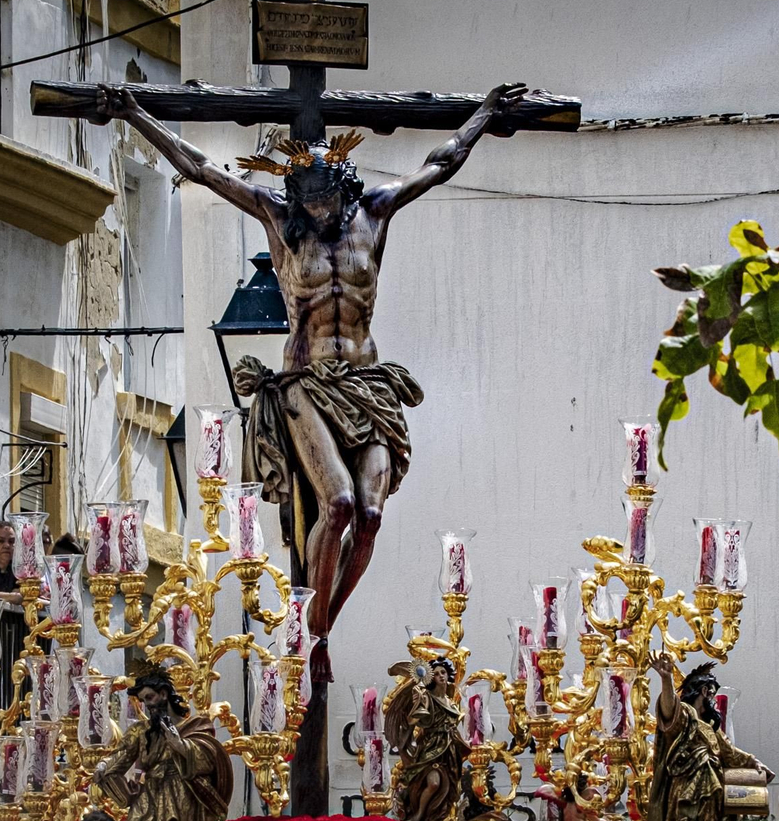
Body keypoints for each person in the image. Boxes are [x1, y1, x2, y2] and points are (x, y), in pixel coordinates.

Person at [94, 82, 528, 682]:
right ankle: (314, 630)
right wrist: (135, 113)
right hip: (304, 385)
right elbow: (199, 168)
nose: (315, 212)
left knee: (371, 516)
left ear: (342, 188)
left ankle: (320, 623)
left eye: (323, 200)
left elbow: (440, 163)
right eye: (306, 201)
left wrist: (483, 115)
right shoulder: (280, 219)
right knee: (340, 502)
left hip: (367, 383)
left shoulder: (375, 212)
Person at [646, 652, 773, 821]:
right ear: (705, 691)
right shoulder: (686, 715)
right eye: (713, 694)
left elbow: (730, 753)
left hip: (714, 791)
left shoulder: (710, 727)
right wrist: (666, 680)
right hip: (689, 790)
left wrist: (754, 763)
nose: (714, 700)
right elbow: (669, 711)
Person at [94, 669, 231, 821]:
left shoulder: (195, 726)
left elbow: (208, 760)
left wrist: (180, 745)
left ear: (164, 694)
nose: (148, 705)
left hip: (182, 795)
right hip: (150, 796)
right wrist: (103, 765)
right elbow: (122, 755)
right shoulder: (141, 731)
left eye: (150, 697)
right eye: (144, 700)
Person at [386, 657, 470, 821]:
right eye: (437, 673)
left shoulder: (451, 701)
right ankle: (419, 816)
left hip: (449, 751)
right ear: (431, 677)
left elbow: (454, 725)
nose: (440, 676)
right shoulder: (427, 697)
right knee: (433, 783)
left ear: (448, 675)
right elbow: (413, 720)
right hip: (431, 749)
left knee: (450, 791)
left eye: (443, 672)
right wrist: (417, 701)